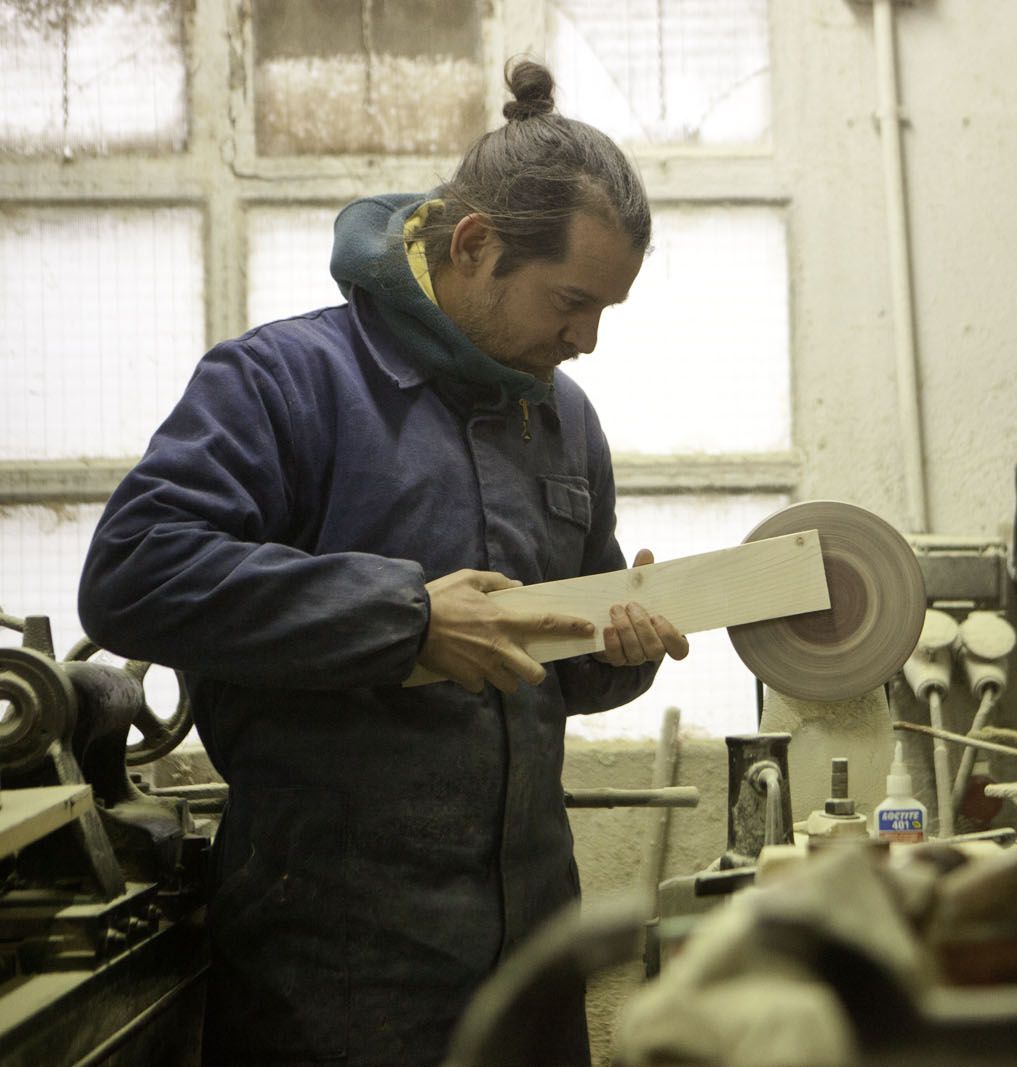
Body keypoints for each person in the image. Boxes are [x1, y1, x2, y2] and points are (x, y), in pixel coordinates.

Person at [77, 59, 686, 1067]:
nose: (585, 340)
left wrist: (621, 649)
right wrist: (411, 619)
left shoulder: (561, 418)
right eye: (571, 301)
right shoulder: (283, 381)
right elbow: (135, 571)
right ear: (475, 245)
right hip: (333, 973)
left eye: (604, 312)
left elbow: (553, 676)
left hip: (533, 955)